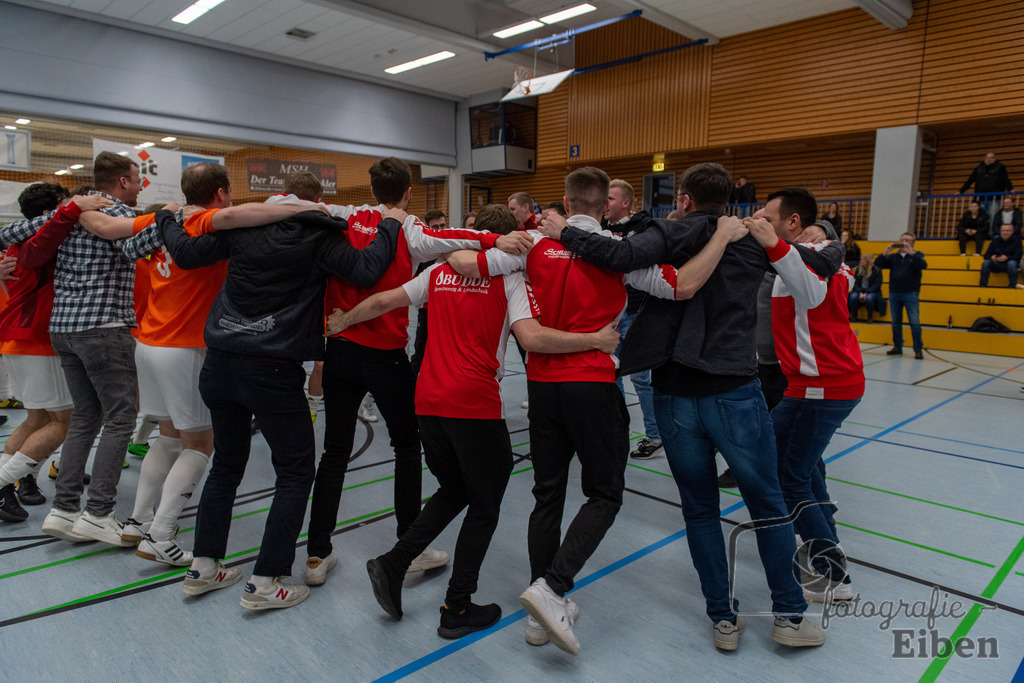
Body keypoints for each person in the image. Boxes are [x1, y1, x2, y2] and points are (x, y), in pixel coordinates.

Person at [538, 162, 835, 652]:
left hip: (674, 392)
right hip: (733, 390)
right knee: (768, 505)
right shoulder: (749, 239)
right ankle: (788, 615)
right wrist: (826, 239)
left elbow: (619, 255)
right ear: (729, 200)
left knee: (700, 511)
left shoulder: (670, 233)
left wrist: (565, 230)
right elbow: (821, 268)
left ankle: (723, 619)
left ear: (685, 198)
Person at [343, 205, 619, 639]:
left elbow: (382, 300)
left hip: (428, 400)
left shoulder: (437, 274)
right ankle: (456, 606)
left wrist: (340, 321)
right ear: (510, 243)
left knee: (456, 489)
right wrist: (597, 340)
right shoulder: (511, 280)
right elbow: (531, 338)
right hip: (472, 403)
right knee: (486, 503)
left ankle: (395, 562)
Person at [449, 167, 679, 656]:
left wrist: (479, 242)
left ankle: (541, 614)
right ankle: (552, 587)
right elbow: (678, 286)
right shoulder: (622, 255)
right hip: (592, 386)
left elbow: (468, 264)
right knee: (605, 494)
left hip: (543, 389)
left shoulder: (531, 245)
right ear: (603, 205)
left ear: (567, 200)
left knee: (547, 496)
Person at [276, 158, 531, 587]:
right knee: (406, 450)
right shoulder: (410, 229)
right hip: (384, 355)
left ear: (370, 187)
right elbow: (452, 237)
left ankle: (317, 553)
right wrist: (495, 238)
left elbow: (287, 202)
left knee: (334, 452)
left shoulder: (342, 216)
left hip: (339, 349)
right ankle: (407, 545)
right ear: (409, 192)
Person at [155, 192, 400, 609]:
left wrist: (166, 216)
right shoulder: (318, 235)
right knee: (295, 472)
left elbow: (185, 253)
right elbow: (368, 269)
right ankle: (267, 580)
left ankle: (204, 566)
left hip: (219, 363)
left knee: (226, 465)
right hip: (271, 369)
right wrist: (391, 224)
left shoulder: (245, 229)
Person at [26, 152, 164, 546]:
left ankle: (65, 508)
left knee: (86, 416)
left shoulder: (69, 215)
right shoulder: (117, 215)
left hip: (63, 329)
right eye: (138, 179)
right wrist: (171, 217)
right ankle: (99, 512)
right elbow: (138, 249)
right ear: (122, 181)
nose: (141, 187)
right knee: (122, 417)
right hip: (103, 327)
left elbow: (17, 236)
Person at [743, 188, 862, 603]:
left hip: (827, 386)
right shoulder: (791, 261)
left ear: (795, 224)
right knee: (788, 462)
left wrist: (784, 244)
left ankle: (834, 575)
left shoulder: (818, 261)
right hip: (804, 385)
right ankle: (826, 532)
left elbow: (811, 289)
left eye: (770, 218)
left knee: (790, 475)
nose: (762, 222)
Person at [0, 185, 110, 522]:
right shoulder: (44, 242)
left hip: (17, 339)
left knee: (38, 419)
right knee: (65, 421)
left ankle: (14, 484)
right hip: (36, 339)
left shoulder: (21, 242)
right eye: (66, 203)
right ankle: (3, 483)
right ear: (56, 209)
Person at [602, 179, 662, 460]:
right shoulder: (599, 228)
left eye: (611, 199)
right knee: (610, 372)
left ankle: (654, 435)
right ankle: (616, 429)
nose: (606, 204)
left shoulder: (644, 228)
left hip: (636, 312)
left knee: (640, 377)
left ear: (625, 202)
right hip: (611, 313)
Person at [876, 233, 927, 359]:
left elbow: (922, 265)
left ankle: (918, 349)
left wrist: (912, 253)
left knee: (914, 322)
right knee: (895, 323)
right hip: (894, 293)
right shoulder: (894, 257)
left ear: (913, 243)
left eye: (908, 240)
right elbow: (879, 263)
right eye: (902, 240)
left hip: (911, 293)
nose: (904, 242)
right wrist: (886, 252)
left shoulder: (917, 255)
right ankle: (897, 346)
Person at [979, 223, 1022, 288]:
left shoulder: (1017, 241)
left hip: (1009, 264)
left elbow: (1018, 256)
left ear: (1012, 231)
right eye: (1003, 231)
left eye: (1007, 231)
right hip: (996, 264)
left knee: (1012, 264)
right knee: (986, 263)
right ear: (1000, 231)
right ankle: (982, 286)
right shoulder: (995, 241)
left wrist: (1007, 258)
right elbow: (986, 255)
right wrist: (992, 257)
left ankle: (1012, 286)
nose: (1005, 232)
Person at [848, 254, 884, 321]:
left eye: (863, 260)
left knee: (869, 298)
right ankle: (854, 316)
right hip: (860, 290)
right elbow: (855, 283)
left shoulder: (877, 270)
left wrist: (866, 292)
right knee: (853, 297)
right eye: (861, 259)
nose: (861, 261)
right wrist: (860, 292)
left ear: (868, 261)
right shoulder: (859, 269)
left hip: (872, 291)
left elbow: (877, 285)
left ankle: (870, 317)